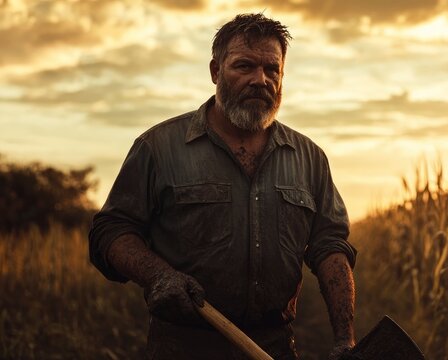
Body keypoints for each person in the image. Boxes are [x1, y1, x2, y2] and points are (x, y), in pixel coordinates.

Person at [88, 13, 357, 360]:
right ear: (216, 72)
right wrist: (159, 275)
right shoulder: (158, 147)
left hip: (273, 346)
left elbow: (330, 245)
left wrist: (344, 339)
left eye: (272, 70)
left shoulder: (309, 158)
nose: (260, 80)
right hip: (181, 347)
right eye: (244, 66)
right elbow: (111, 231)